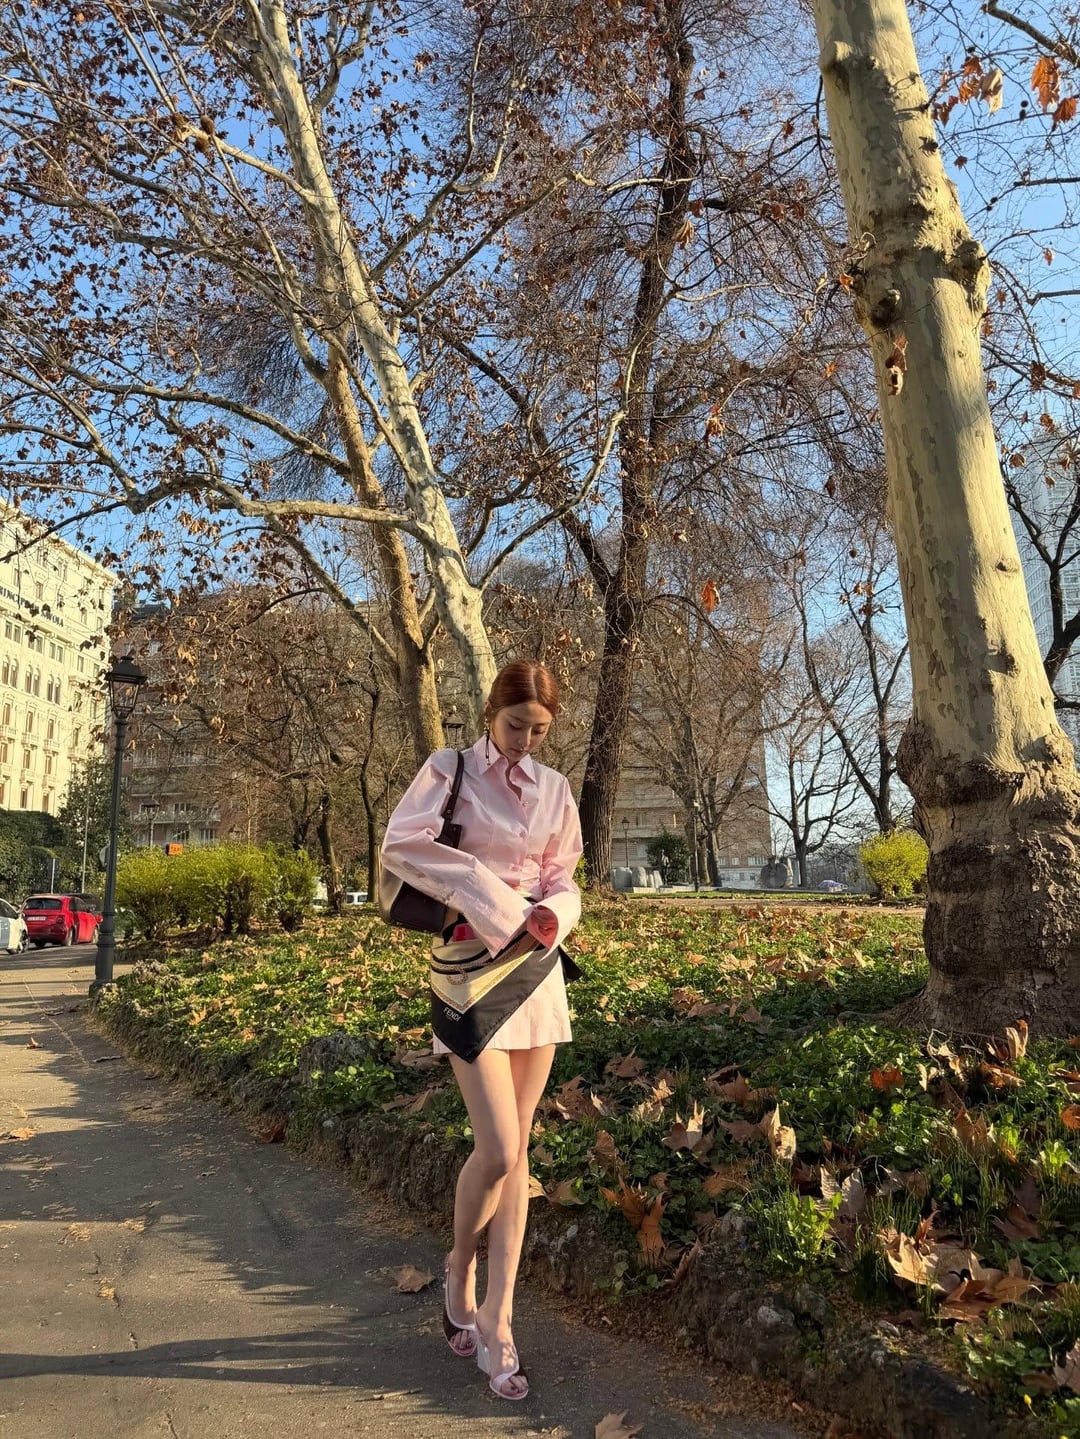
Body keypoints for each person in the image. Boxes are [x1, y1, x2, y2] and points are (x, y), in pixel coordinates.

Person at [380, 660, 582, 1403]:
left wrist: (556, 911)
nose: (525, 740)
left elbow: (564, 875)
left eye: (539, 730)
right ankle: (459, 1262)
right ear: (491, 712)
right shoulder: (450, 769)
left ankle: (499, 1316)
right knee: (495, 1147)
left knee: (519, 1154)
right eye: (515, 725)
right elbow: (401, 845)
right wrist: (485, 891)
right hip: (468, 969)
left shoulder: (555, 789)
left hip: (536, 969)